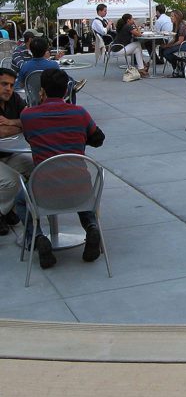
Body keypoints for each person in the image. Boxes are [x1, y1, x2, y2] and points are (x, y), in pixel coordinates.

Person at [18, 68, 106, 270]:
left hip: (43, 193)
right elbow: (99, 139)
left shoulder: (28, 116)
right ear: (67, 90)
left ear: (42, 91)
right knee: (76, 184)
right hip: (81, 191)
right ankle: (91, 227)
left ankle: (38, 238)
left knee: (20, 201)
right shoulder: (80, 113)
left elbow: (30, 138)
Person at [0, 68, 33, 236]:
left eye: (12, 85)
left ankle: (11, 208)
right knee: (13, 180)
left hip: (8, 155)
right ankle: (2, 213)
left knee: (36, 166)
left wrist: (10, 122)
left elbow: (30, 119)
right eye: (4, 84)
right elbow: (1, 133)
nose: (8, 89)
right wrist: (18, 126)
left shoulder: (14, 98)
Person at [162, 10, 186, 77]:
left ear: (177, 17)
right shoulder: (175, 25)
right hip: (182, 44)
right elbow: (174, 39)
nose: (170, 17)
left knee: (166, 52)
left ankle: (179, 64)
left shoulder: (182, 26)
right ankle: (179, 64)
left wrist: (170, 46)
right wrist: (168, 45)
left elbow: (180, 41)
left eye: (172, 16)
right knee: (163, 49)